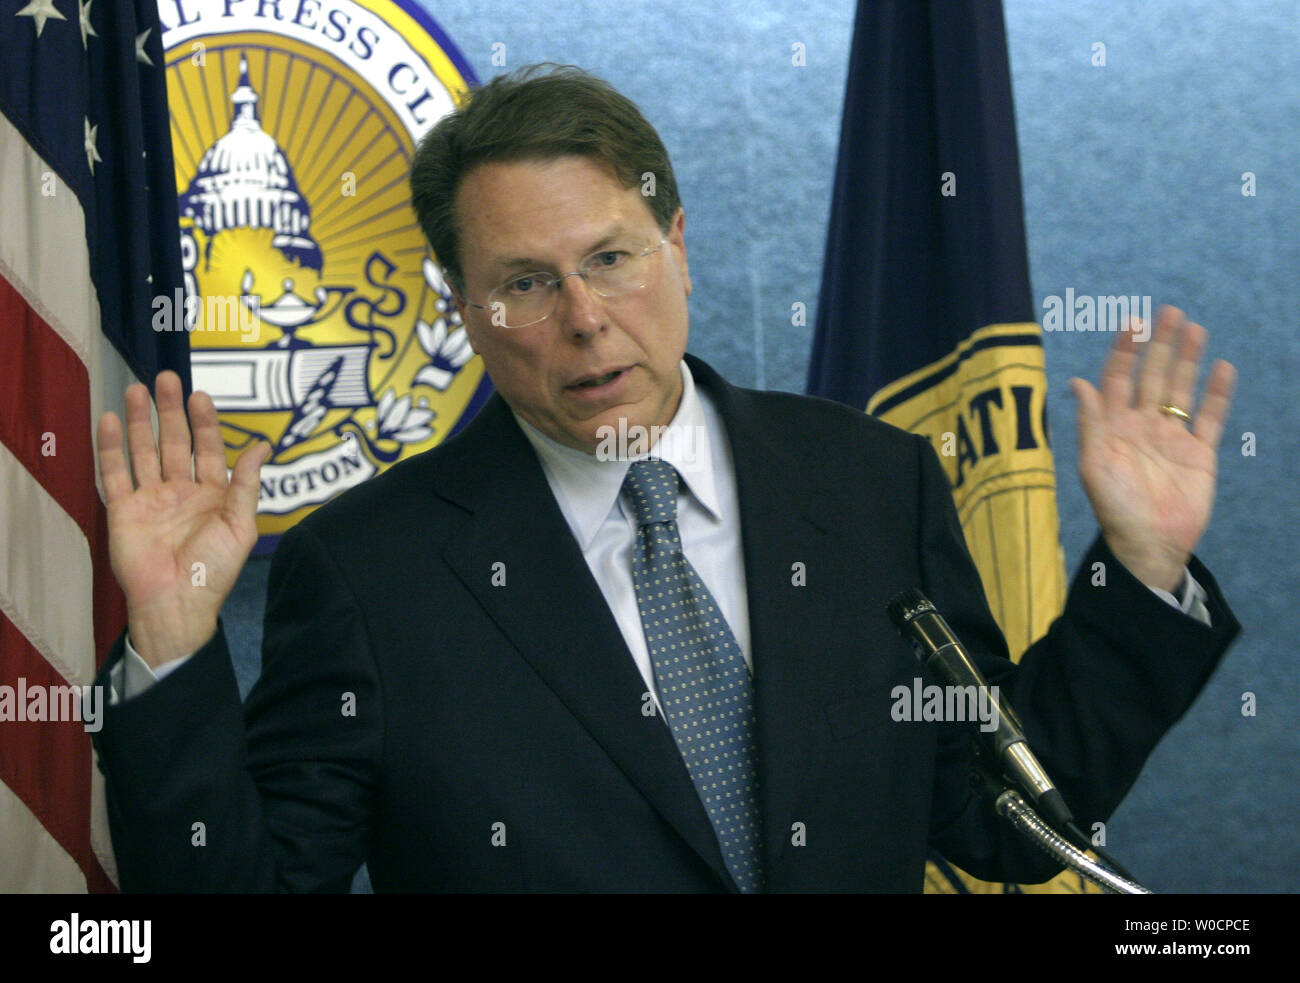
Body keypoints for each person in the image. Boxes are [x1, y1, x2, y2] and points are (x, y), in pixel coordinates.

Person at [92, 65, 1239, 892]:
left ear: (676, 244)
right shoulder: (371, 571)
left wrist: (1139, 567)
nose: (586, 319)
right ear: (463, 310)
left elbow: (999, 820)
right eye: (527, 283)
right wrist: (174, 640)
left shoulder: (867, 484)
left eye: (610, 258)